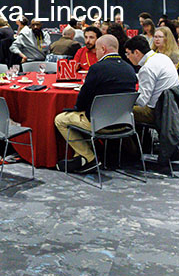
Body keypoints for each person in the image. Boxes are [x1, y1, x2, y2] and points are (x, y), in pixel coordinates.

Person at [53, 35, 137, 174]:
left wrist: (76, 109)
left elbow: (82, 101)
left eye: (97, 50)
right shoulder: (130, 69)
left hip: (101, 124)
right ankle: (80, 158)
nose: (96, 53)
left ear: (103, 49)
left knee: (61, 119)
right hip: (124, 123)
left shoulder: (97, 69)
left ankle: (89, 157)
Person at [124, 35, 179, 126]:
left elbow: (142, 101)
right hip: (172, 107)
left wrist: (127, 97)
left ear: (136, 52)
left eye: (128, 53)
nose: (127, 57)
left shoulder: (146, 68)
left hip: (157, 112)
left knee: (122, 110)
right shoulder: (162, 57)